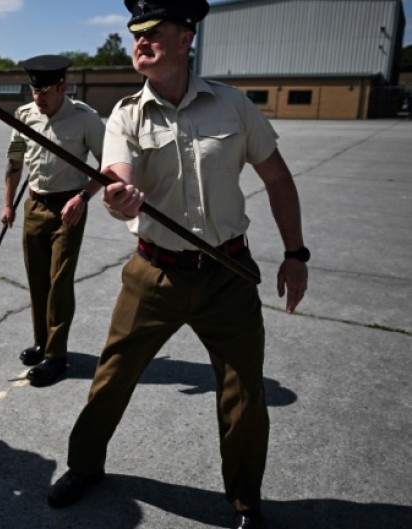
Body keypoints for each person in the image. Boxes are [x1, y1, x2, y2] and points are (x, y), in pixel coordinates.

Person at [46, 2, 309, 529]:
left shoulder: (233, 106)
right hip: (154, 275)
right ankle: (84, 465)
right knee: (113, 376)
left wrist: (295, 253)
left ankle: (244, 502)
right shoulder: (125, 114)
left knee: (243, 394)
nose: (139, 42)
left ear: (186, 38)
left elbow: (277, 179)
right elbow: (118, 172)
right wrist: (119, 197)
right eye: (134, 35)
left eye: (153, 32)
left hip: (226, 274)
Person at [2, 55, 104, 387]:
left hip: (68, 208)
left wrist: (84, 197)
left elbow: (109, 168)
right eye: (34, 92)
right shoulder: (24, 116)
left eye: (45, 93)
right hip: (35, 205)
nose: (38, 99)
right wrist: (8, 205)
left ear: (62, 87)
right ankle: (42, 342)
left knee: (59, 283)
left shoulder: (86, 119)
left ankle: (56, 356)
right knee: (37, 280)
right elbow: (15, 162)